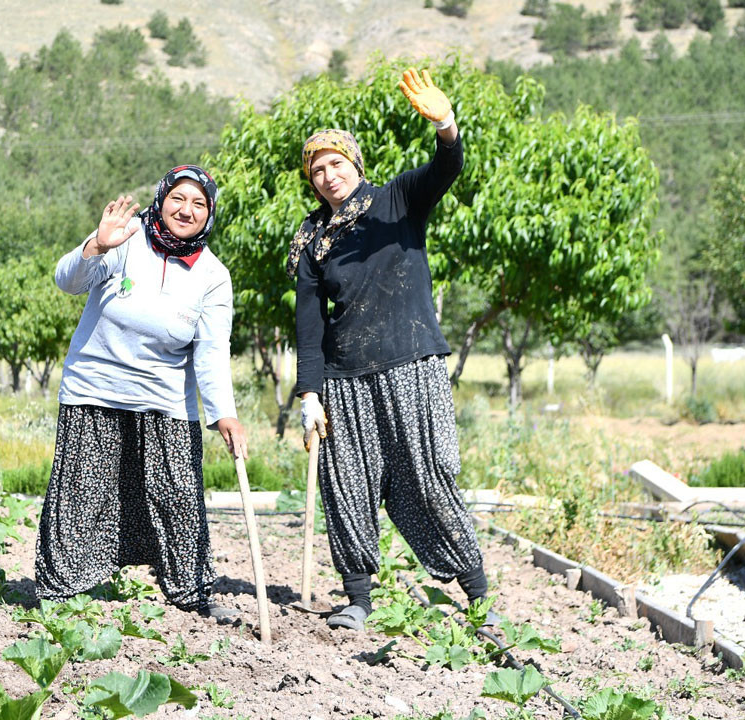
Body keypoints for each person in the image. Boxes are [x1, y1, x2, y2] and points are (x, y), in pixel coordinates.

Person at [290, 69, 491, 631]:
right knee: (346, 484)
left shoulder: (397, 200)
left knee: (429, 476)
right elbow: (309, 323)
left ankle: (477, 595)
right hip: (344, 378)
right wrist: (309, 393)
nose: (328, 176)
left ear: (355, 164)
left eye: (336, 163)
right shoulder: (311, 240)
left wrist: (446, 125)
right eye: (317, 170)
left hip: (410, 363)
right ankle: (357, 598)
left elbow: (446, 167)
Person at [35, 165, 246, 619]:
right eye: (178, 199)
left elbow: (211, 351)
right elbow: (67, 280)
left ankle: (191, 592)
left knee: (178, 497)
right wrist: (96, 246)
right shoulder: (126, 238)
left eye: (199, 203)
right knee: (83, 495)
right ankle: (62, 592)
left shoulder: (213, 275)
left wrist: (223, 413)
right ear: (161, 199)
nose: (186, 210)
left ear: (209, 213)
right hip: (95, 391)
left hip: (165, 399)